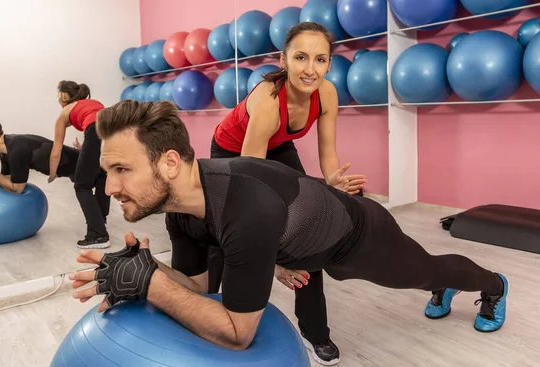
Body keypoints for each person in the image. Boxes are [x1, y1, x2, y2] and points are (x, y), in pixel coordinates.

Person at [69, 101, 509, 359]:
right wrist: (144, 271)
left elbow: (238, 334)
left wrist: (154, 286)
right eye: (108, 171)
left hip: (357, 236)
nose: (109, 187)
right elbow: (199, 285)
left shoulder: (244, 207)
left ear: (168, 163)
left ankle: (492, 285)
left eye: (121, 169)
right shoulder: (180, 209)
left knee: (424, 274)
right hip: (299, 237)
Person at [206, 22, 366, 362]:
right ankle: (208, 308)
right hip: (233, 154)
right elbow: (250, 186)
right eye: (301, 58)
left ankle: (313, 330)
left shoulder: (327, 93)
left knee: (309, 231)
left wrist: (332, 182)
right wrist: (276, 261)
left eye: (320, 60)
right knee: (230, 230)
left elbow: (328, 153)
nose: (310, 69)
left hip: (278, 147)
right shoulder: (267, 100)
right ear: (283, 60)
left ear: (329, 64)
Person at [50, 81, 110, 249]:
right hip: (113, 130)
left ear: (63, 97)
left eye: (58, 96)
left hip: (96, 131)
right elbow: (100, 129)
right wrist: (86, 147)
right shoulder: (94, 103)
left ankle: (98, 235)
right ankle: (100, 220)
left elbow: (56, 151)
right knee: (102, 175)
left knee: (81, 185)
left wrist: (53, 173)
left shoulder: (64, 112)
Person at [0, 114, 78, 193]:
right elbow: (7, 180)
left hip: (87, 166)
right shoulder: (6, 152)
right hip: (75, 170)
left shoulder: (17, 150)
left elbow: (17, 189)